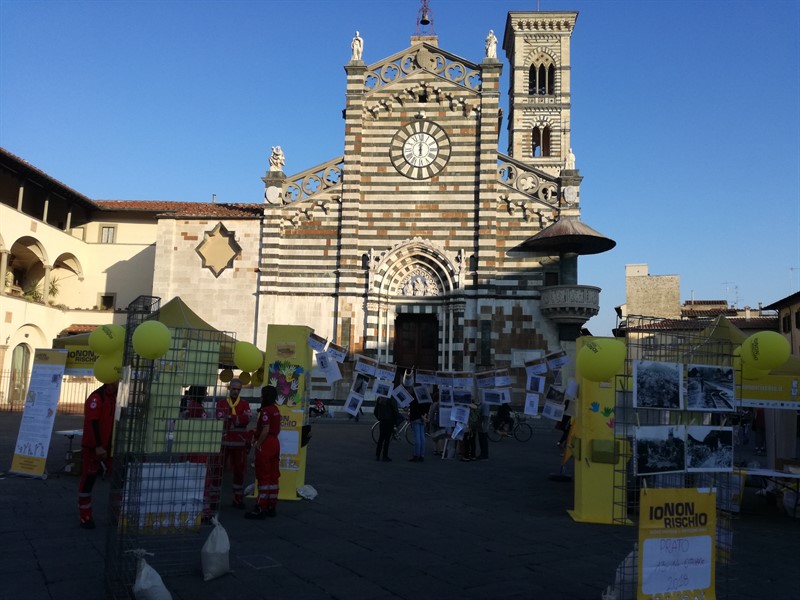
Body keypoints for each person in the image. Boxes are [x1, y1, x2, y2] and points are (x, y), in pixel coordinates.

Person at [78, 381, 118, 529]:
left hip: (109, 447)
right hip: (94, 448)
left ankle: (117, 515)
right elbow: (92, 422)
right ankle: (85, 516)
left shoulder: (114, 397)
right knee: (88, 480)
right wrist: (98, 446)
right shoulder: (97, 397)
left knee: (117, 480)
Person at [215, 378, 251, 509]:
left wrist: (230, 417)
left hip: (238, 443)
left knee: (239, 471)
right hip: (223, 442)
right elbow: (219, 419)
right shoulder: (221, 403)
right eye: (234, 389)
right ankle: (213, 499)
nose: (236, 391)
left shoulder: (244, 404)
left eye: (238, 389)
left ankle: (237, 498)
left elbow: (246, 419)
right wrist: (237, 419)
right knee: (217, 470)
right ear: (229, 388)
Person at [246, 385, 282, 519]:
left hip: (266, 444)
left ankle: (260, 507)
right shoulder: (276, 409)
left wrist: (258, 444)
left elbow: (266, 429)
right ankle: (271, 505)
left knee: (263, 476)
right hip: (275, 443)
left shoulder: (266, 411)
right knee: (273, 476)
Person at [374, 394, 399, 462]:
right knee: (387, 439)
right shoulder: (391, 398)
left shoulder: (379, 398)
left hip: (382, 420)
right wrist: (395, 420)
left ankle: (377, 455)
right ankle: (385, 456)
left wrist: (379, 418)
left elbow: (375, 411)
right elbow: (395, 410)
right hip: (390, 421)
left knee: (381, 438)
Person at [408, 396, 429, 462]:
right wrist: (424, 416)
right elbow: (426, 407)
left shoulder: (413, 398)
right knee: (422, 437)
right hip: (422, 419)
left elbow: (414, 408)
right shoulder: (423, 396)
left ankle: (416, 455)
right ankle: (421, 455)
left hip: (416, 418)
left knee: (417, 437)